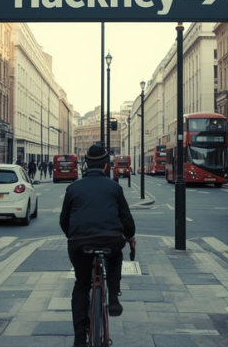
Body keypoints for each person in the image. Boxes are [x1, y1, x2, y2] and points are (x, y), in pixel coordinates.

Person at [60, 143, 136, 347]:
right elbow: (126, 219)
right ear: (105, 166)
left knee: (82, 284)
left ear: (86, 164)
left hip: (79, 242)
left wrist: (74, 236)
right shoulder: (114, 187)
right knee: (115, 255)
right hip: (110, 239)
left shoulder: (73, 187)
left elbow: (63, 221)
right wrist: (130, 238)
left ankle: (79, 338)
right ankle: (113, 298)